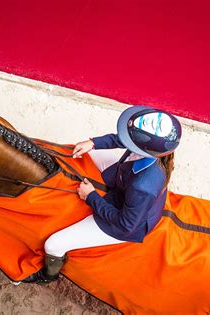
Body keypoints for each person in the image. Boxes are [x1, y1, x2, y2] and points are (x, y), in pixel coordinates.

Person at [23, 105, 182, 283]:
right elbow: (123, 139)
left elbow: (126, 224)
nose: (127, 140)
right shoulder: (149, 149)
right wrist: (93, 143)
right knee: (84, 156)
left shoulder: (142, 186)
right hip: (124, 180)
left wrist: (91, 196)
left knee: (53, 244)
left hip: (124, 222)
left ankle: (48, 275)